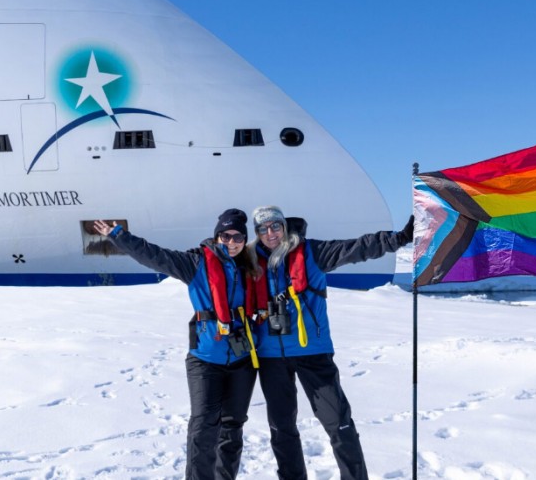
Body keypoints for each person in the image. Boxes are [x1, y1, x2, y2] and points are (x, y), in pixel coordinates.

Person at [242, 205, 413, 480]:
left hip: (314, 353)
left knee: (339, 422)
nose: (270, 233)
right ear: (257, 232)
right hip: (271, 357)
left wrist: (399, 238)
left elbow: (357, 248)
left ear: (284, 227)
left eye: (275, 226)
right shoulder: (249, 261)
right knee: (281, 427)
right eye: (263, 228)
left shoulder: (312, 252)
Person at [94, 209, 260, 480]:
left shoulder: (249, 266)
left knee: (233, 428)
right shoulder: (195, 263)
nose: (231, 241)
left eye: (238, 236)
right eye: (225, 235)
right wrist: (119, 237)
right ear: (217, 236)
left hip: (242, 361)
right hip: (205, 360)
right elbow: (154, 255)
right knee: (203, 428)